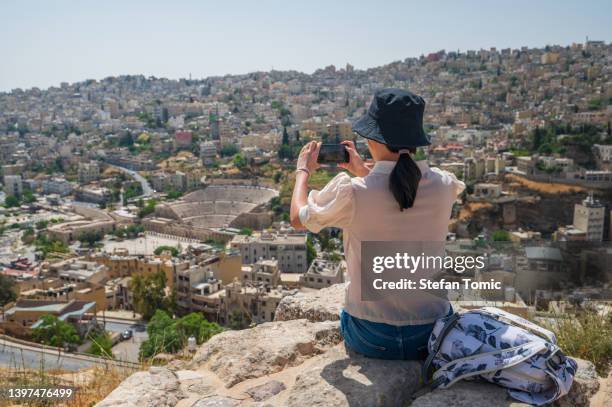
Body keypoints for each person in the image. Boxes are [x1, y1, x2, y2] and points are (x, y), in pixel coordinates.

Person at [290, 88, 465, 360]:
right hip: (432, 334)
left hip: (372, 336)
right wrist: (362, 171)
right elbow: (397, 193)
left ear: (374, 139)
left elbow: (298, 218)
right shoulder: (444, 186)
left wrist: (303, 172)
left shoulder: (355, 193)